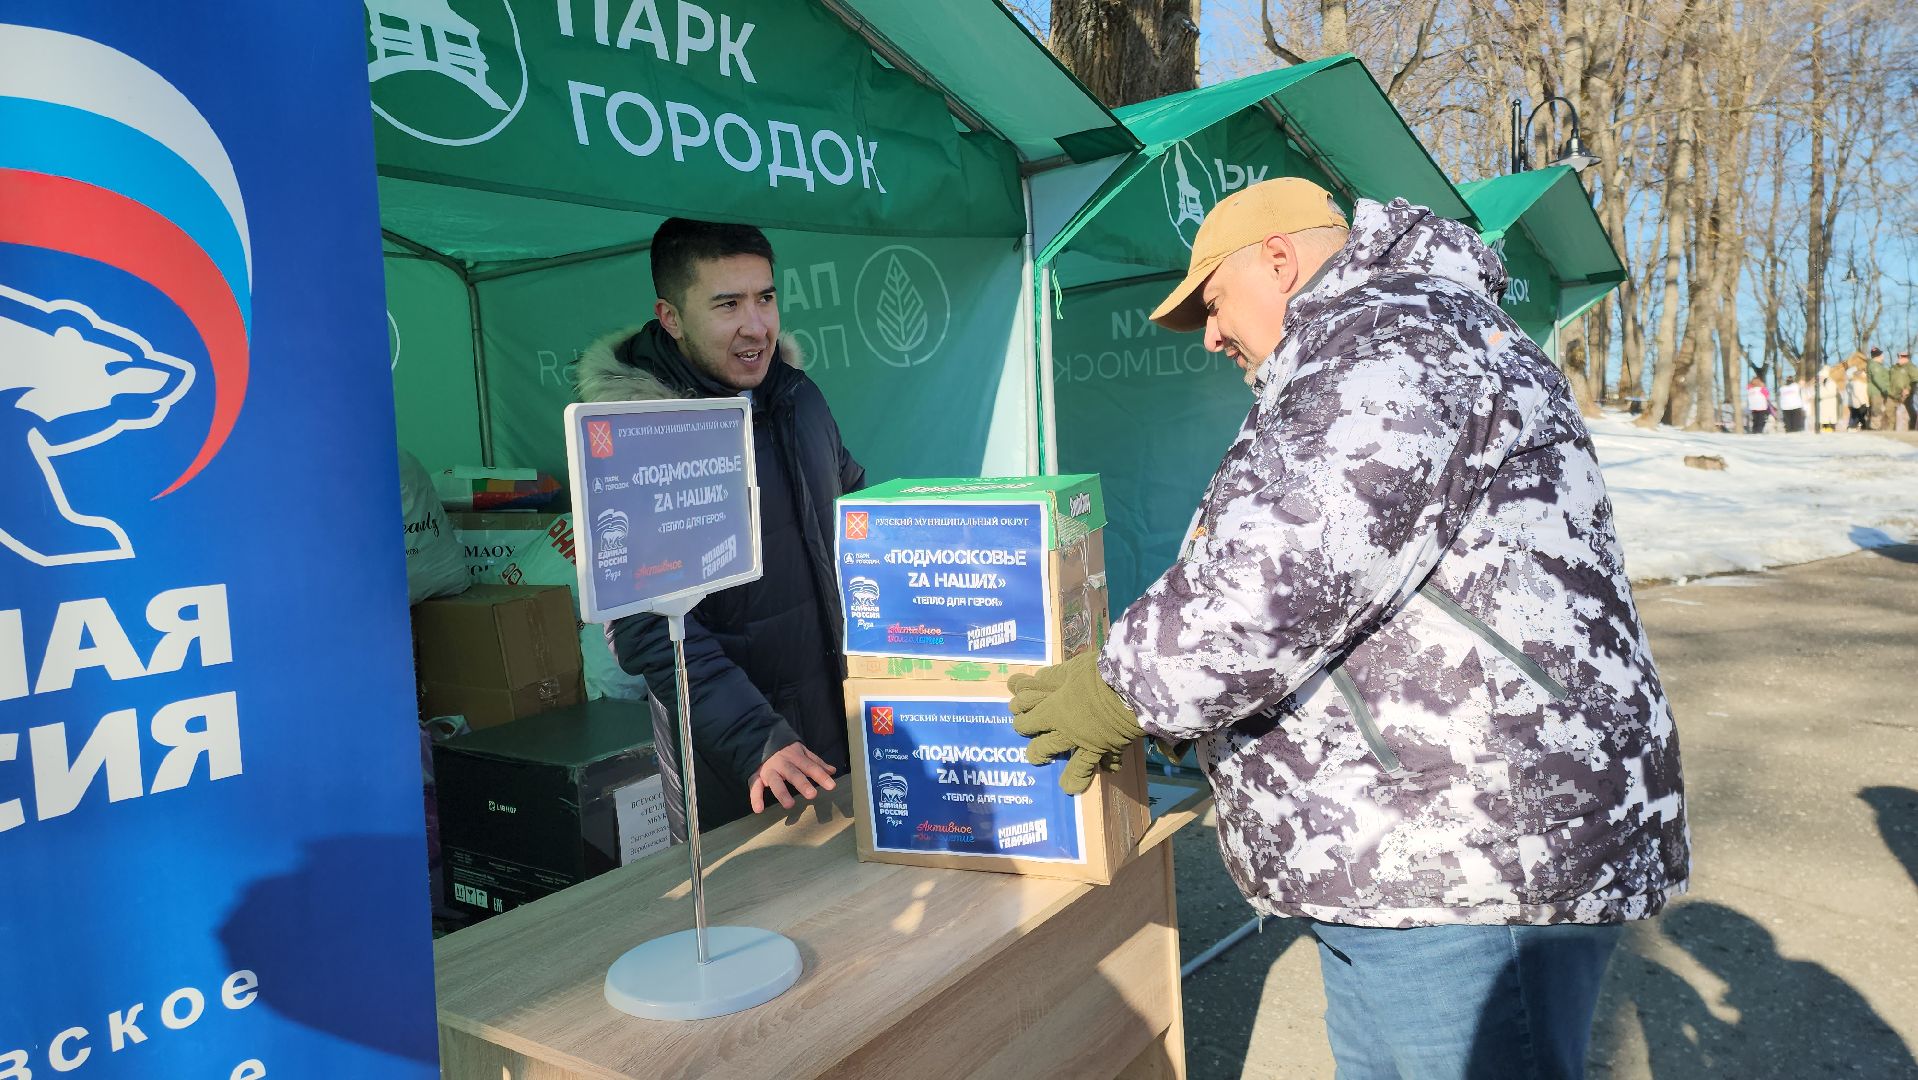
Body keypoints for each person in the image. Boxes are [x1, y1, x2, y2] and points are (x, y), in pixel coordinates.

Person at [1009, 180, 1689, 1080]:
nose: (1211, 336)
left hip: (1470, 856)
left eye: (1212, 303)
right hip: (1422, 851)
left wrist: (1118, 690)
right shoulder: (1400, 333)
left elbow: (1279, 574)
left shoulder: (1394, 344)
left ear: (1279, 261)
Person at [575, 217, 866, 831]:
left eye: (764, 298)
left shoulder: (799, 397)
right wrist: (756, 737)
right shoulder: (639, 435)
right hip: (743, 757)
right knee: (755, 918)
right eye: (727, 304)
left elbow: (854, 505)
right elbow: (649, 629)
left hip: (841, 714)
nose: (755, 325)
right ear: (671, 316)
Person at [1867, 347, 1895, 431]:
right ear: (1878, 356)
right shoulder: (1875, 366)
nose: (1883, 357)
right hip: (1877, 393)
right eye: (1882, 355)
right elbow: (1878, 379)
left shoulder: (1877, 366)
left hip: (1879, 392)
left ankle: (1876, 429)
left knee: (1879, 412)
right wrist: (1886, 390)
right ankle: (1874, 431)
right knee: (1877, 412)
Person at [1819, 363, 1845, 432]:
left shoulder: (1831, 382)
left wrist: (1821, 389)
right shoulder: (1821, 384)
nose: (1820, 378)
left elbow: (1831, 393)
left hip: (1829, 406)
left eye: (1821, 376)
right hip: (1824, 407)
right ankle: (1825, 430)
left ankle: (1830, 431)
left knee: (1829, 422)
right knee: (1824, 421)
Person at [1893, 352, 1915, 432]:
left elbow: (1915, 379)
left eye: (1900, 357)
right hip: (1896, 395)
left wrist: (1908, 389)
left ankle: (1911, 431)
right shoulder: (1897, 368)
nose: (1898, 358)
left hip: (1906, 395)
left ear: (1905, 358)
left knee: (1910, 413)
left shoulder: (1911, 367)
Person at [1847, 358, 1871, 430]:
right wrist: (1863, 402)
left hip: (1860, 403)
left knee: (1858, 418)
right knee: (1859, 418)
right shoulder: (1857, 382)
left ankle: (1854, 427)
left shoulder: (1859, 382)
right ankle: (1853, 428)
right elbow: (1858, 393)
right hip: (1860, 403)